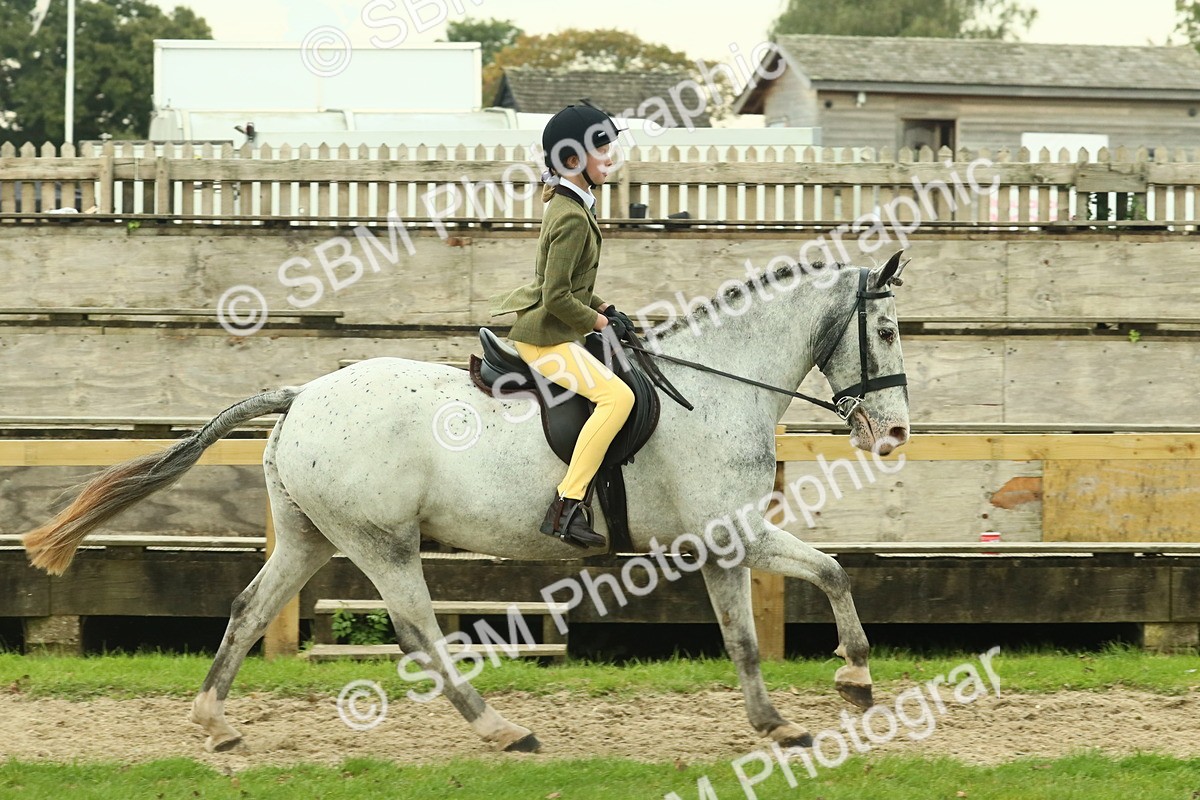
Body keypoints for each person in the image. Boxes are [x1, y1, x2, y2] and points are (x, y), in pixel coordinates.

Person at [489, 104, 637, 549]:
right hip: (546, 338)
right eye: (602, 149)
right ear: (573, 160)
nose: (610, 157)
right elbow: (555, 296)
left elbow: (571, 282)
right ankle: (567, 505)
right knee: (618, 397)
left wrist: (605, 306)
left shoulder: (572, 204)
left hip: (555, 330)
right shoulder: (571, 215)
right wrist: (598, 322)